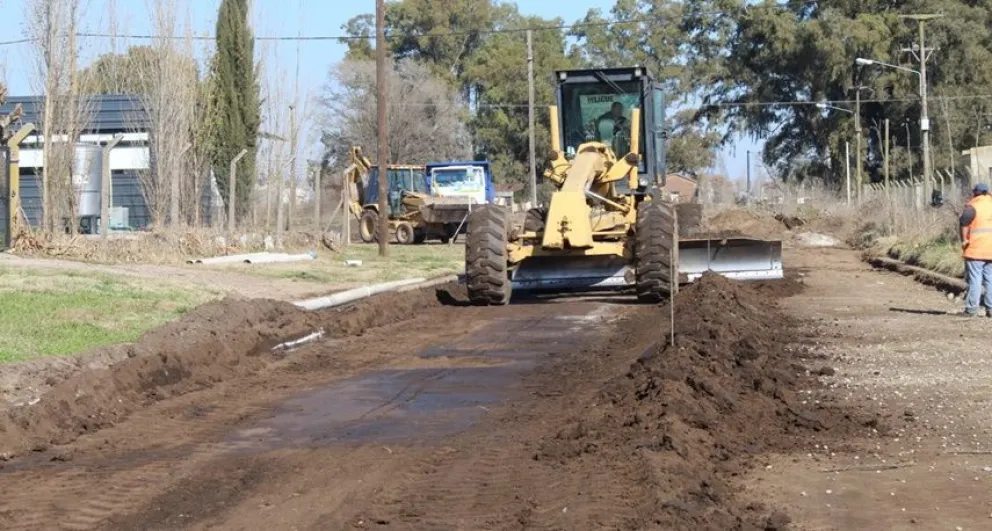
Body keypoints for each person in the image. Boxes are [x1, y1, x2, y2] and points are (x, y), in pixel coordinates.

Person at [959, 182, 992, 317]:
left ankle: (972, 309)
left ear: (975, 192)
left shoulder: (973, 206)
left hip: (976, 249)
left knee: (975, 279)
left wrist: (964, 240)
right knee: (990, 279)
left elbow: (964, 223)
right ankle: (991, 309)